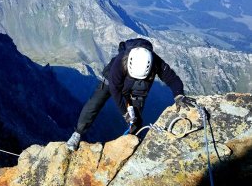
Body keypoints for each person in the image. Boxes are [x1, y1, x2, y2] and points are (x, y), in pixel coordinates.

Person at [66, 38, 196, 151]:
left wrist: (179, 95)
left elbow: (172, 78)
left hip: (137, 90)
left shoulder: (156, 62)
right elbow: (115, 90)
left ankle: (130, 142)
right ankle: (78, 133)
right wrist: (125, 112)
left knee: (136, 120)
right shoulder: (119, 62)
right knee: (94, 104)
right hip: (112, 82)